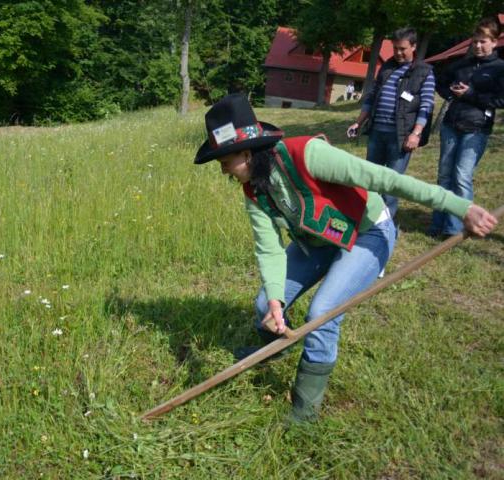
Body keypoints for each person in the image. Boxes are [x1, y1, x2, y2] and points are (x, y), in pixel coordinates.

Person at [194, 93, 497, 423]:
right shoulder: (253, 190)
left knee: (322, 314)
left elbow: (385, 179)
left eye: (225, 161)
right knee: (264, 303)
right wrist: (276, 303)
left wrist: (461, 207)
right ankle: (278, 347)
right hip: (318, 242)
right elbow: (269, 249)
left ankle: (305, 412)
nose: (223, 170)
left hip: (367, 232)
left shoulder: (308, 154)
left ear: (246, 153)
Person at [347, 27, 436, 217]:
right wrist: (358, 123)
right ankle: (367, 219)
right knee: (371, 180)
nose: (398, 52)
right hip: (377, 132)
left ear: (413, 46)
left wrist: (416, 134)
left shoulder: (424, 72)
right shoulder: (387, 67)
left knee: (392, 184)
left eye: (402, 49)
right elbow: (371, 97)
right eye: (395, 48)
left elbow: (426, 105)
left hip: (400, 136)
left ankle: (385, 223)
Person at [428, 18, 504, 237]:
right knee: (444, 176)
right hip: (451, 125)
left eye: (483, 42)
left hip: (477, 129)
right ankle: (437, 224)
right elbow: (440, 81)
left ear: (494, 42)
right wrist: (451, 93)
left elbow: (501, 99)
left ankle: (455, 229)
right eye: (475, 41)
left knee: (461, 177)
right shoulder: (462, 64)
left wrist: (470, 95)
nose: (478, 46)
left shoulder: (500, 68)